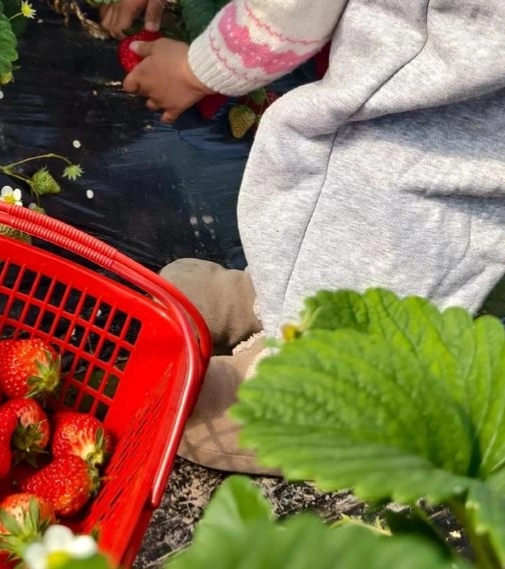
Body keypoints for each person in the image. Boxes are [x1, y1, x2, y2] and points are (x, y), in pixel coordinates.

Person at [101, 0, 505, 475]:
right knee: (388, 192)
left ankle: (329, 389)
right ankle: (287, 297)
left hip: (428, 81)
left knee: (390, 198)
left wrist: (196, 69)